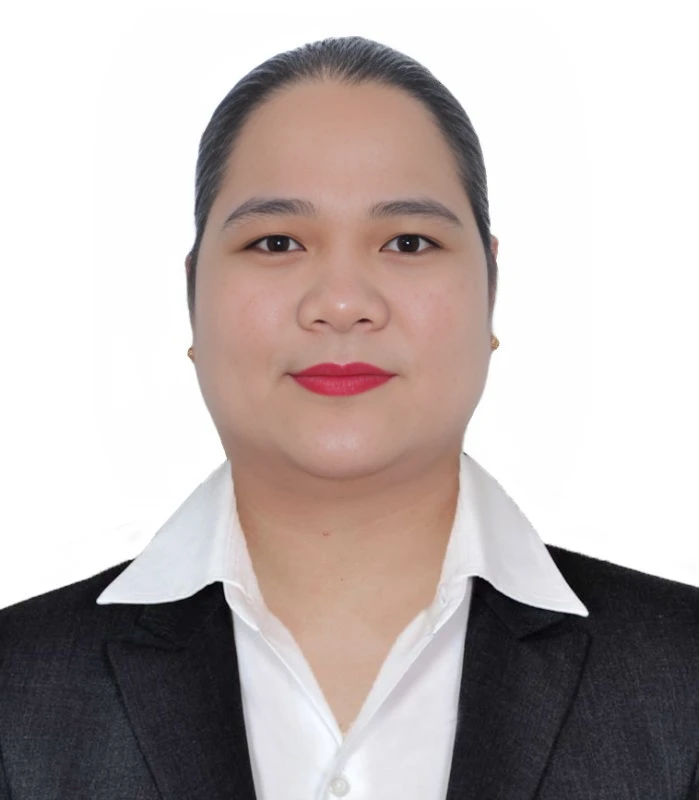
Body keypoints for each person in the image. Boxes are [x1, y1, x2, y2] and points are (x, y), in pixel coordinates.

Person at [0, 34, 697, 800]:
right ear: (193, 296)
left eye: (407, 242)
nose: (339, 302)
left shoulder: (680, 672)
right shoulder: (16, 688)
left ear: (490, 291)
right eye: (275, 242)